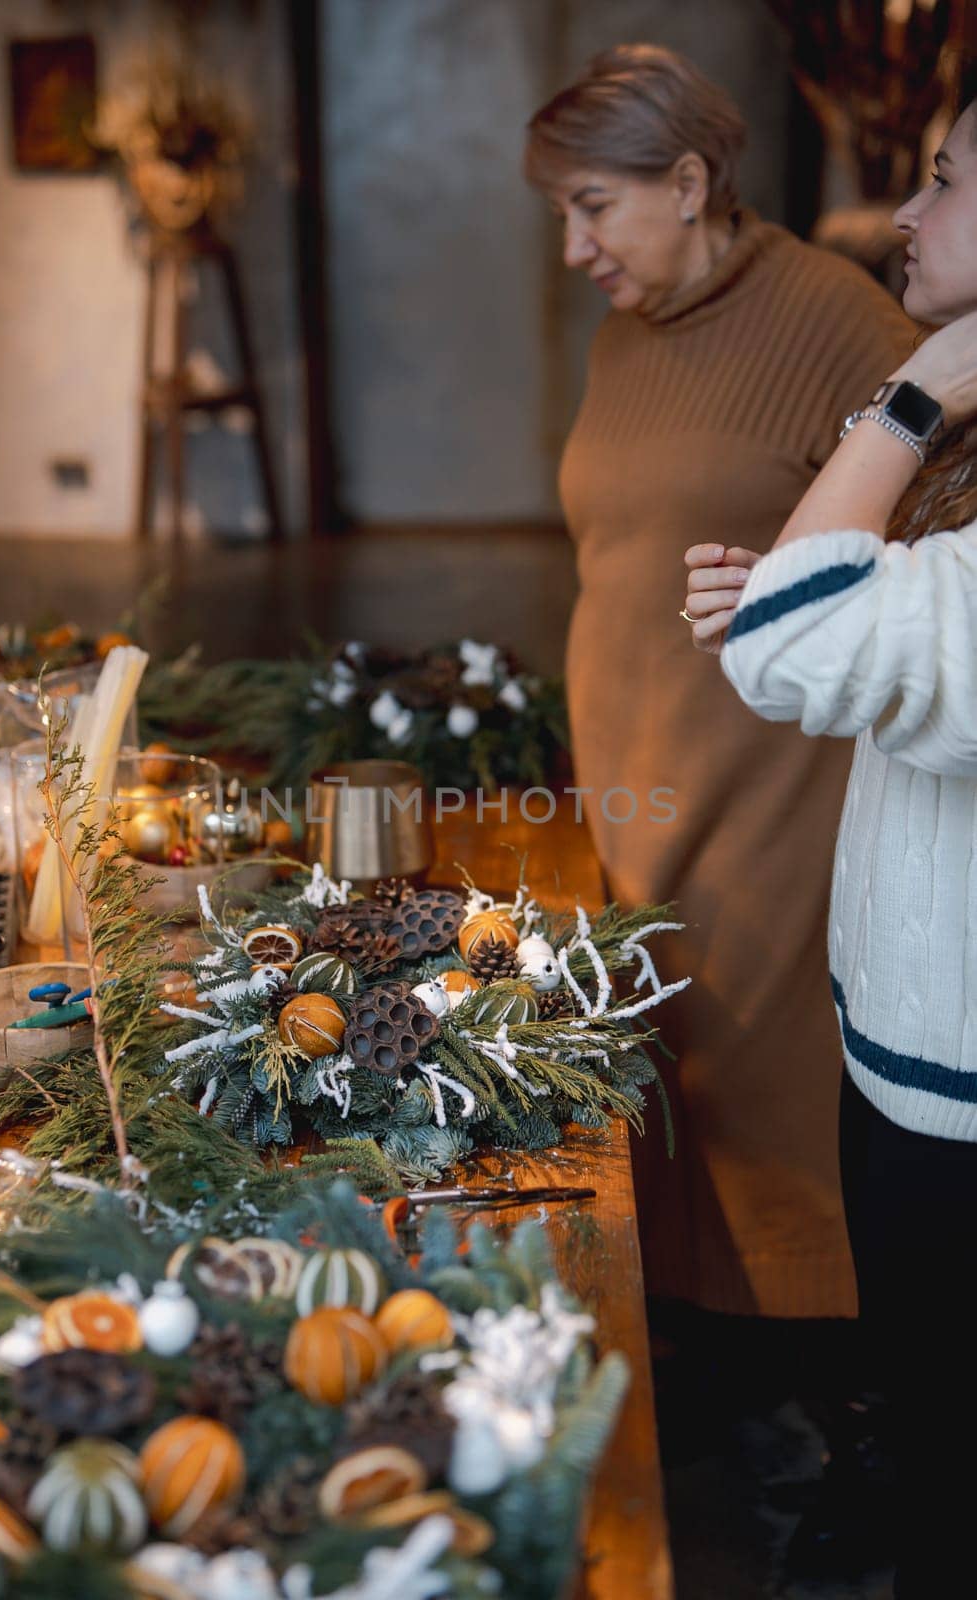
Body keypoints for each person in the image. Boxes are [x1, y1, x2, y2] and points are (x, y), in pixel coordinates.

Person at [524, 45, 914, 1333]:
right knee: (666, 1078)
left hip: (772, 803)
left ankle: (842, 1414)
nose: (575, 245)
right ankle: (708, 1374)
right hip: (638, 771)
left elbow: (942, 537)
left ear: (688, 181)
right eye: (562, 211)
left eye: (593, 206)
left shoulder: (835, 318)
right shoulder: (622, 341)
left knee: (767, 1090)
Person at [683, 81, 977, 1599]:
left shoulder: (942, 397)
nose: (904, 218)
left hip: (961, 1118)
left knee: (954, 1499)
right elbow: (819, 622)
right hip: (914, 1062)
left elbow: (790, 644)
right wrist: (811, 593)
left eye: (941, 181)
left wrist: (920, 380)